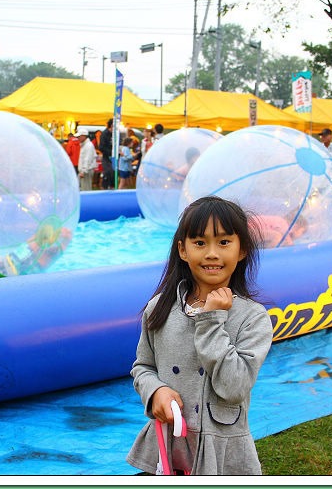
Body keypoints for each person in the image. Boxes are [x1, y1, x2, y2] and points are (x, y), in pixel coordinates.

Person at [126, 196, 273, 475]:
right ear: (183, 250)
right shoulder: (159, 309)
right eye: (200, 243)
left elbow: (234, 387)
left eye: (224, 242)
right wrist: (155, 391)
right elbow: (143, 367)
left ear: (242, 250)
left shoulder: (252, 318)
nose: (212, 253)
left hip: (221, 454)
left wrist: (210, 320)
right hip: (167, 445)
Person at [99, 118, 115, 189]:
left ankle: (112, 186)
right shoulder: (105, 134)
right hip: (107, 156)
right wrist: (110, 152)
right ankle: (104, 187)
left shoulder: (115, 134)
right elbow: (101, 147)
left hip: (114, 157)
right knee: (108, 171)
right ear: (111, 125)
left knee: (114, 172)